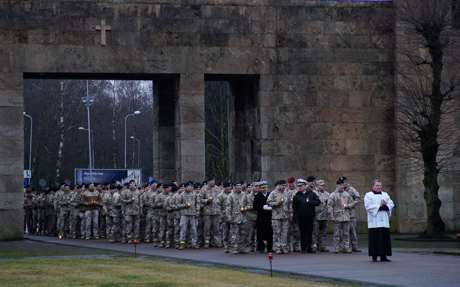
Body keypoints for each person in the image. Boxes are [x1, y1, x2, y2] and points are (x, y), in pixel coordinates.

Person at [364, 180, 394, 262]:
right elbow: (368, 206)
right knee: (375, 238)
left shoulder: (385, 195)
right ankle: (374, 256)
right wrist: (380, 207)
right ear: (373, 186)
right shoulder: (368, 195)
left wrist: (385, 207)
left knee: (384, 238)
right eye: (377, 185)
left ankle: (384, 256)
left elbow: (390, 203)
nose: (379, 187)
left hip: (384, 221)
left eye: (380, 185)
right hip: (374, 221)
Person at [292, 178, 320, 253]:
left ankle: (309, 247)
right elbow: (294, 208)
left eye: (301, 186)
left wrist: (310, 202)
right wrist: (296, 218)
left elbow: (318, 202)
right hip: (301, 217)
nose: (299, 187)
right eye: (299, 186)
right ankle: (303, 248)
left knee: (309, 233)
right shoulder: (297, 195)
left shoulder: (311, 193)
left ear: (305, 186)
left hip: (310, 217)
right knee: (303, 233)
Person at [327, 179, 353, 253]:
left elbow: (351, 203)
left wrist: (348, 206)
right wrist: (331, 215)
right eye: (340, 185)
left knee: (346, 233)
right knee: (337, 233)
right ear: (337, 185)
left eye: (342, 185)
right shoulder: (333, 195)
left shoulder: (347, 194)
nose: (342, 187)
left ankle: (346, 247)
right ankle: (337, 247)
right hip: (337, 216)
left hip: (346, 216)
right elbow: (329, 206)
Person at [267, 180, 292, 254]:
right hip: (276, 216)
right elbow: (268, 202)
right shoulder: (273, 193)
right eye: (282, 185)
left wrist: (290, 214)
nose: (284, 187)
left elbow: (290, 204)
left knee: (284, 232)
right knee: (277, 232)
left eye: (285, 185)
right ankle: (277, 247)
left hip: (285, 215)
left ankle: (284, 246)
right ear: (279, 185)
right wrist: (277, 203)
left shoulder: (287, 193)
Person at [341, 176, 362, 252]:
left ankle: (354, 245)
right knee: (342, 231)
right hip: (342, 214)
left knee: (352, 230)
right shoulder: (339, 190)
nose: (342, 184)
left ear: (346, 182)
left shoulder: (351, 190)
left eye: (343, 183)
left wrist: (350, 205)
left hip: (351, 213)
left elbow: (357, 198)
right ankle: (343, 246)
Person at [312, 180, 330, 252]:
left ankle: (322, 245)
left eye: (324, 185)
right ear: (317, 186)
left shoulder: (327, 194)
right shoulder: (313, 193)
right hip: (316, 215)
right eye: (322, 185)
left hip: (324, 215)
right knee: (315, 232)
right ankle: (314, 245)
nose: (323, 187)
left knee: (323, 232)